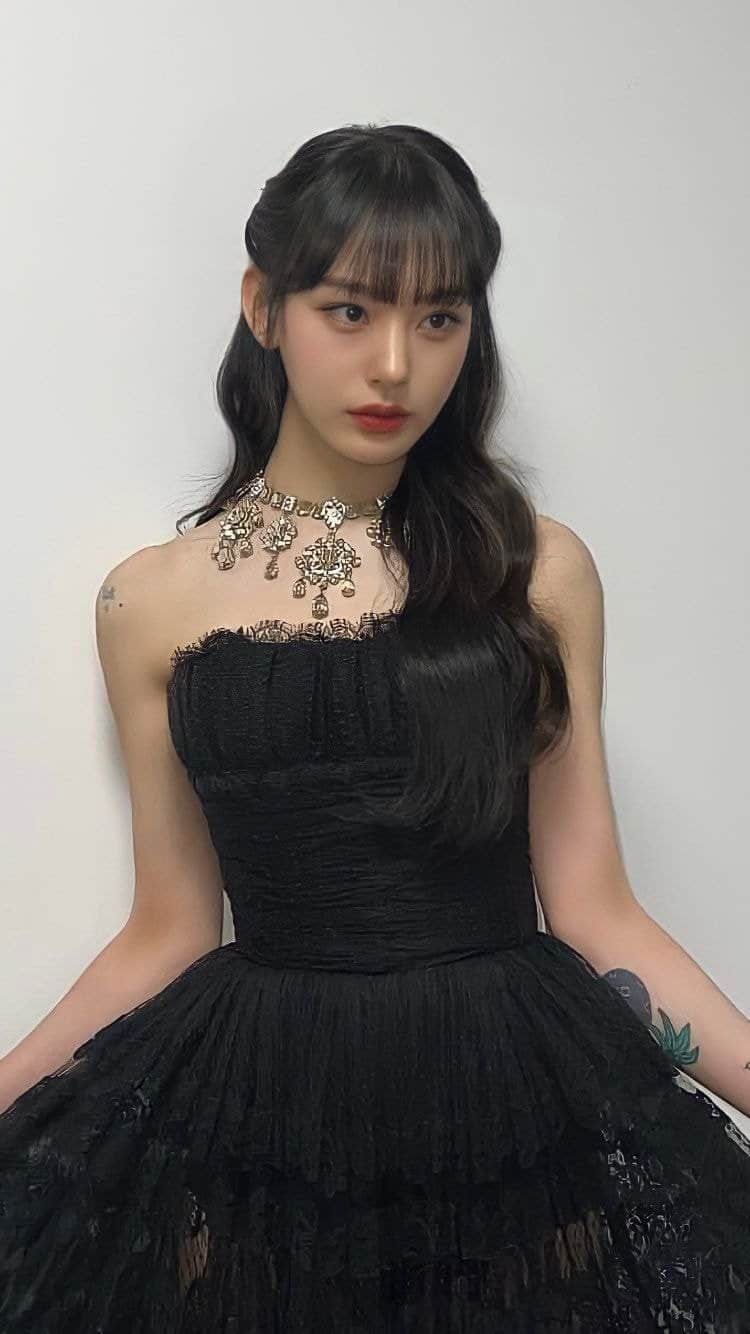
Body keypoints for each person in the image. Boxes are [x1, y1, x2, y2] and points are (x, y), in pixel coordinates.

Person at [1, 121, 749, 1333]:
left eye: (439, 318)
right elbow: (168, 930)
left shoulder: (537, 570)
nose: (395, 363)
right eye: (350, 310)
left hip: (513, 1113)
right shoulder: (148, 602)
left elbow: (599, 912)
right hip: (271, 1126)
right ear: (264, 306)